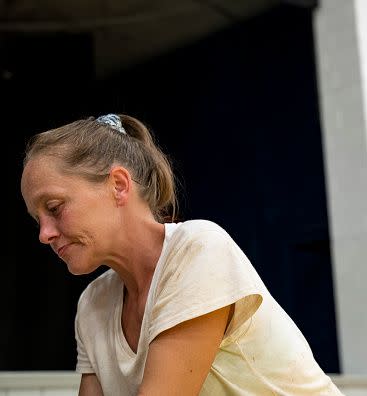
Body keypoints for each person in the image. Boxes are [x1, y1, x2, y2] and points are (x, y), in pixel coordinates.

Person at [20, 113, 344, 396]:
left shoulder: (199, 249)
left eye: (54, 208)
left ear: (118, 185)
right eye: (38, 219)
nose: (44, 234)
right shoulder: (94, 303)